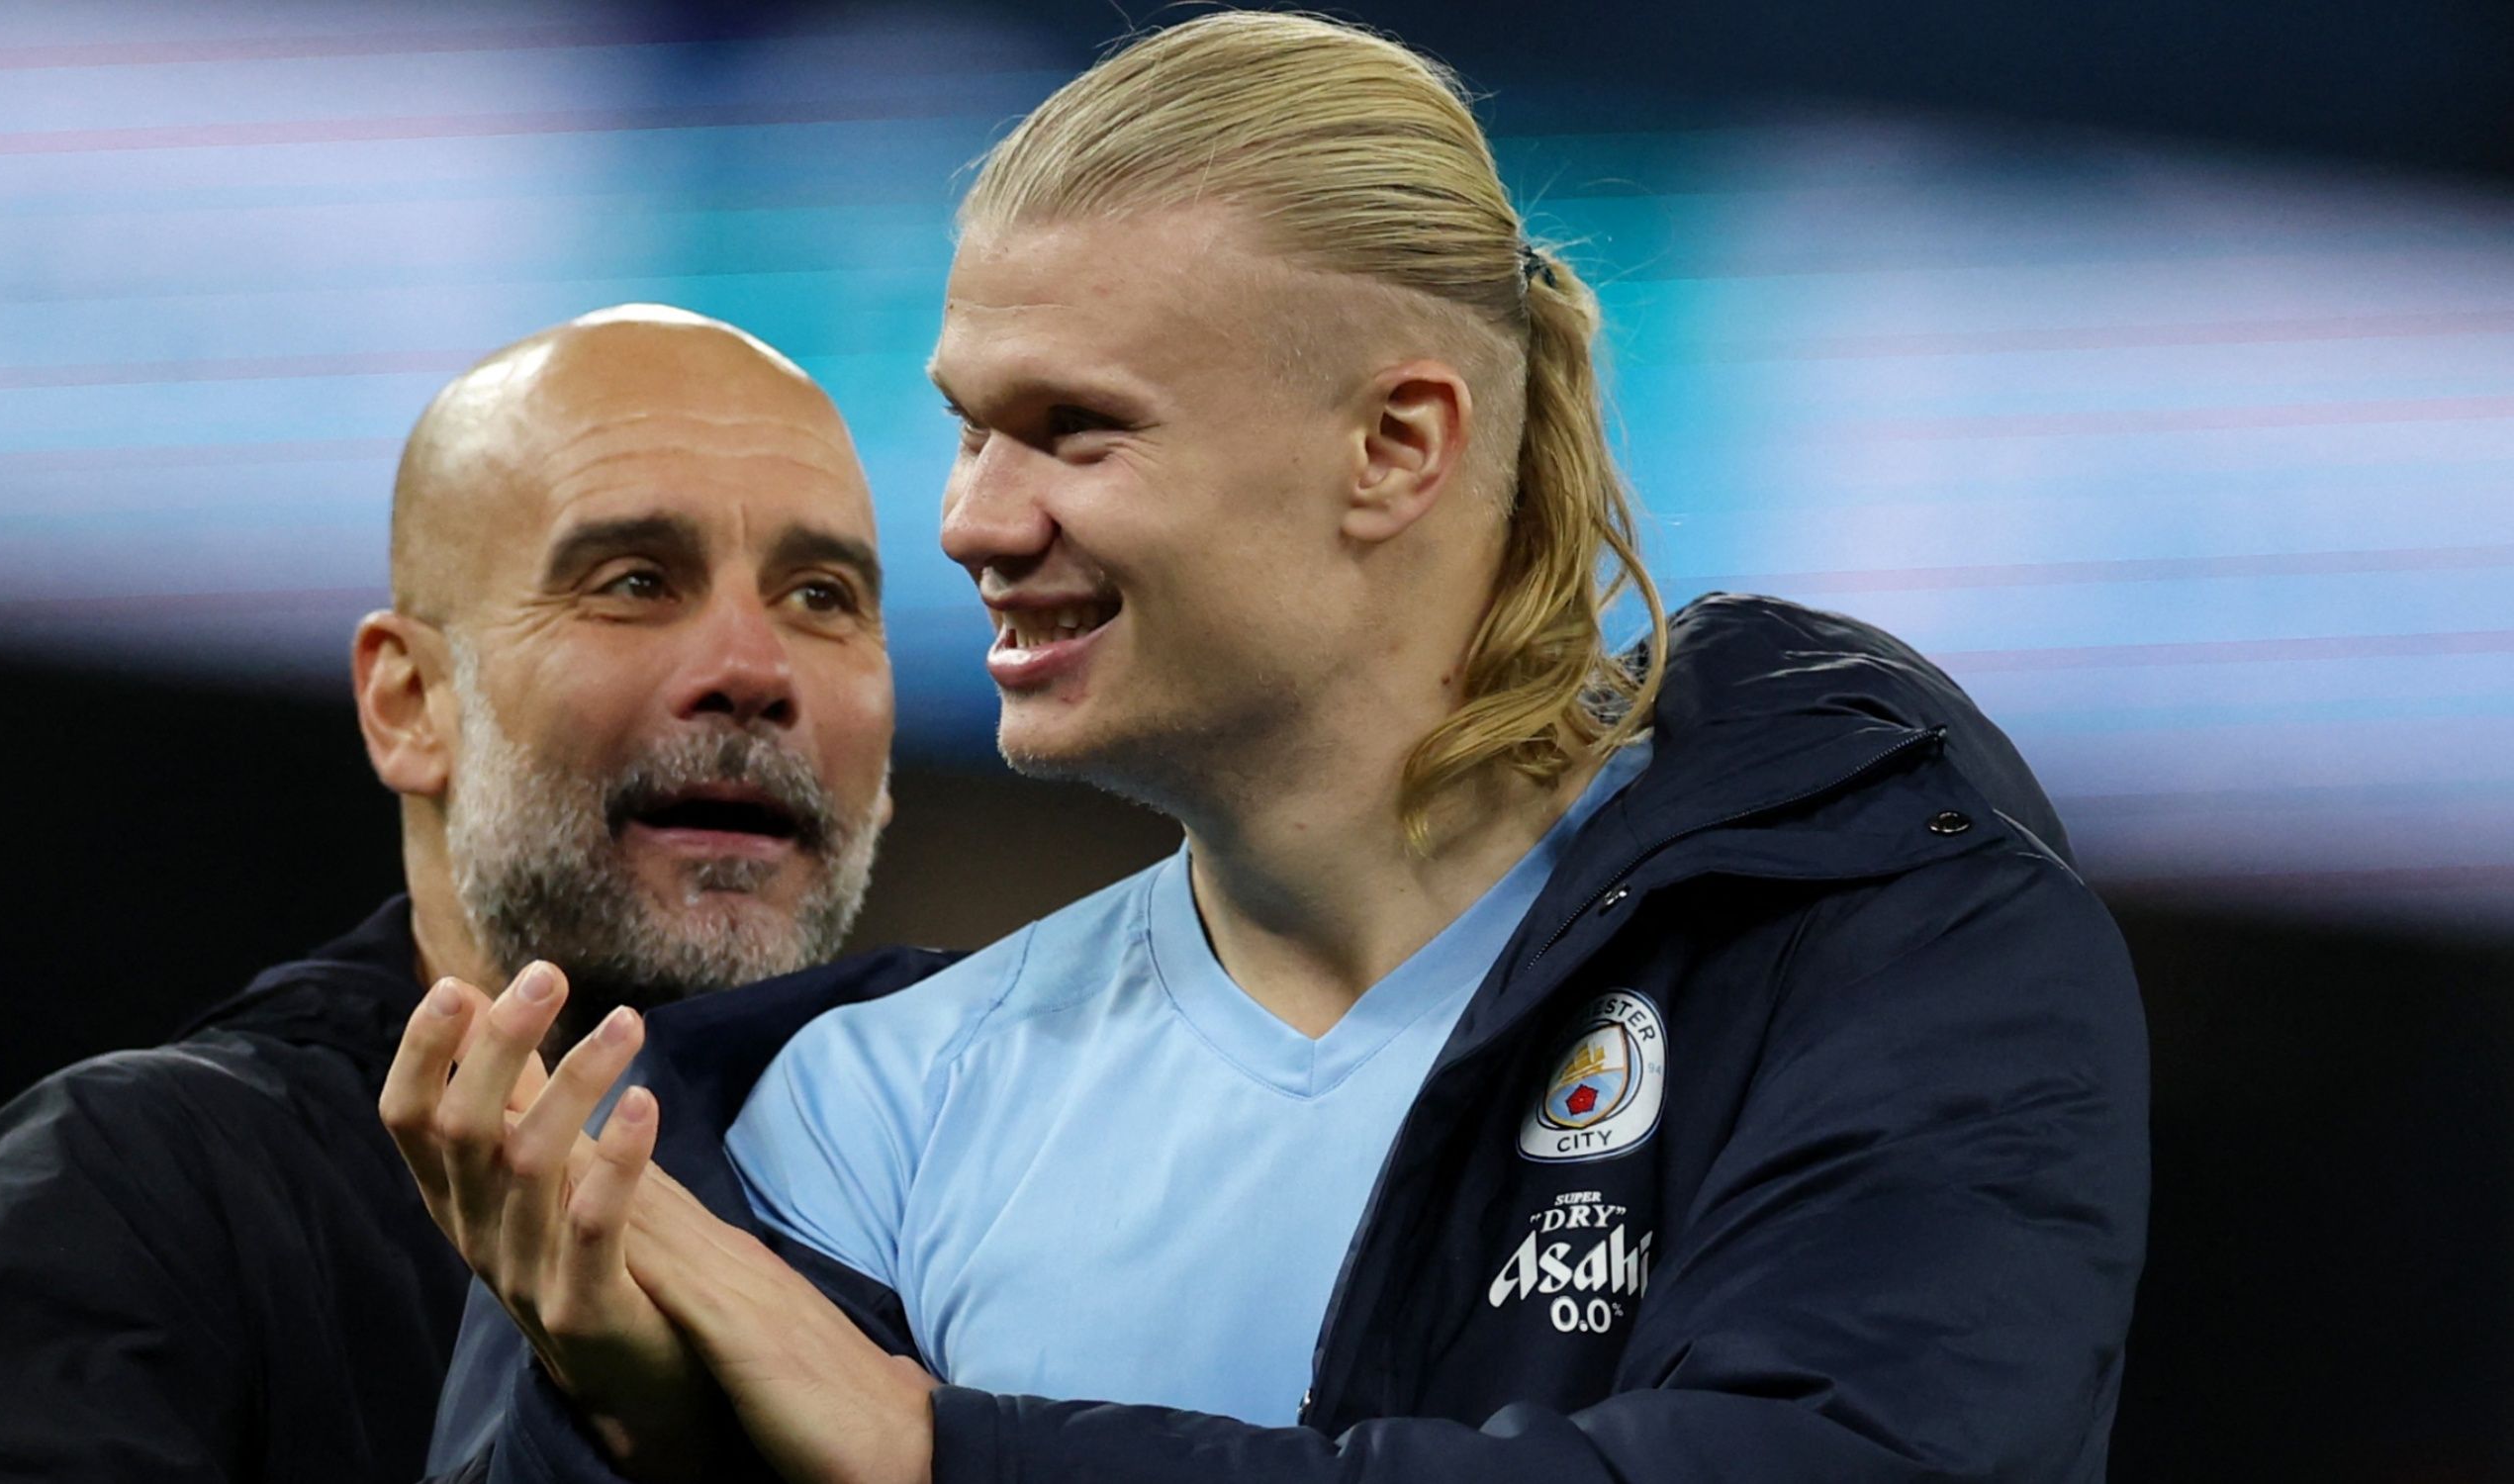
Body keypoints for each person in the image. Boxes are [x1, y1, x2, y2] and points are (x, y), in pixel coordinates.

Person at [397, 14, 2149, 1484]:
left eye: (1075, 431)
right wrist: (633, 1434)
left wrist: (948, 1453)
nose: (971, 523)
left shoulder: (1859, 929)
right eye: (968, 430)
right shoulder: (855, 1119)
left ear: (1394, 446)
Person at [0, 306, 910, 1484]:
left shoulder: (985, 1182)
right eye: (636, 581)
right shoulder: (142, 1196)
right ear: (408, 703)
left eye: (821, 597)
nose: (755, 673)